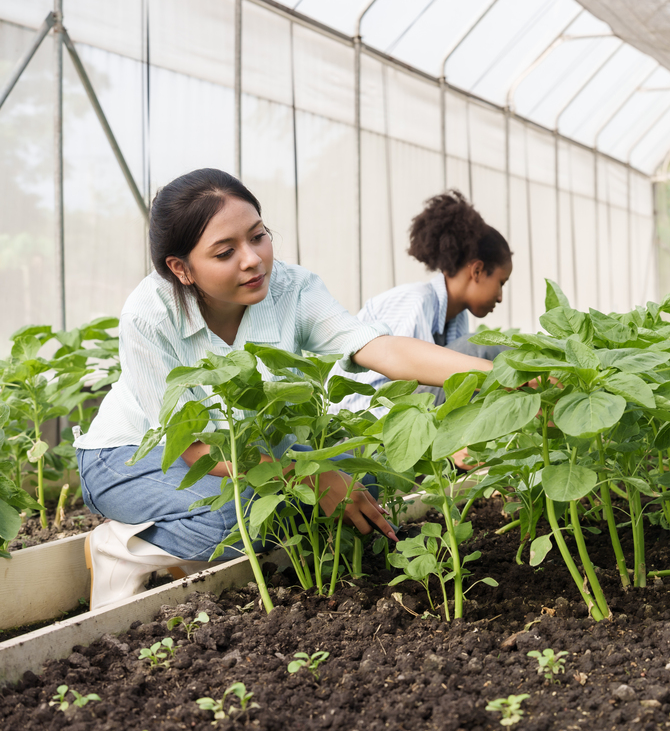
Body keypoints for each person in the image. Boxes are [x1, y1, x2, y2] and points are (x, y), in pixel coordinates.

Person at [75, 169, 494, 609]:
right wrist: (308, 475)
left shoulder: (291, 289)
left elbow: (377, 347)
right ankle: (119, 549)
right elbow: (194, 449)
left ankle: (183, 546)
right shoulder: (150, 315)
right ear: (181, 268)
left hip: (244, 457)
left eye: (258, 236)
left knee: (367, 478)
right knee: (242, 520)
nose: (253, 259)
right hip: (129, 456)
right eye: (225, 252)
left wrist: (496, 376)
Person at [335, 189, 511, 412]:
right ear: (477, 271)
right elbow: (398, 381)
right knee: (483, 349)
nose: (500, 297)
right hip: (360, 425)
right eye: (501, 283)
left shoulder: (456, 319)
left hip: (400, 420)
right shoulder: (415, 301)